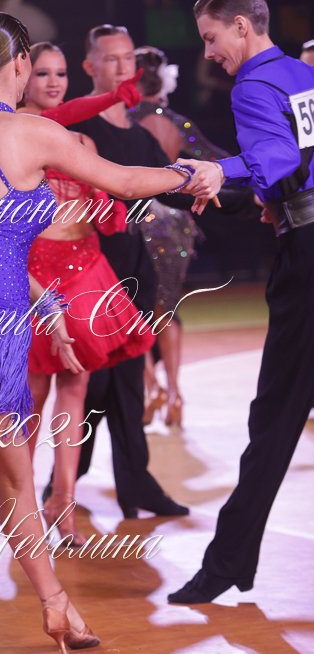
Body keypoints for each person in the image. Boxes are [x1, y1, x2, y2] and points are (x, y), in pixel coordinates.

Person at [0, 12, 213, 654]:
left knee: (16, 477)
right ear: (17, 65)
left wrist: (42, 305)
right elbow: (121, 180)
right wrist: (186, 173)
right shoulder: (25, 131)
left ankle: (56, 605)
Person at [167, 0, 314, 603]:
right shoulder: (303, 76)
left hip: (308, 260)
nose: (208, 53)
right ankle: (231, 560)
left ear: (242, 27)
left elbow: (277, 159)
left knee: (275, 416)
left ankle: (226, 562)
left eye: (211, 37)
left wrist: (220, 168)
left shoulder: (253, 84)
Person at [20, 41, 154, 545]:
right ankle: (23, 503)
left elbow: (106, 212)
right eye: (42, 73)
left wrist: (104, 201)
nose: (53, 82)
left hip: (85, 271)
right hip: (38, 276)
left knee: (75, 391)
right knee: (33, 396)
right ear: (23, 78)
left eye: (59, 73)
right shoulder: (15, 135)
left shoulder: (80, 141)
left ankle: (63, 501)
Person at [67, 23, 191, 518]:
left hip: (134, 269)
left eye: (127, 60)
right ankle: (66, 481)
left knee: (128, 386)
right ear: (89, 66)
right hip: (89, 272)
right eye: (111, 59)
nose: (122, 69)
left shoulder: (140, 136)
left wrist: (238, 194)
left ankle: (135, 486)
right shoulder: (76, 131)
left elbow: (172, 188)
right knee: (93, 387)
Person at [132, 44, 225, 426]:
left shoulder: (124, 121)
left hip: (135, 218)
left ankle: (149, 385)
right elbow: (213, 157)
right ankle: (174, 393)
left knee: (133, 308)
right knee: (167, 308)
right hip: (175, 223)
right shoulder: (176, 122)